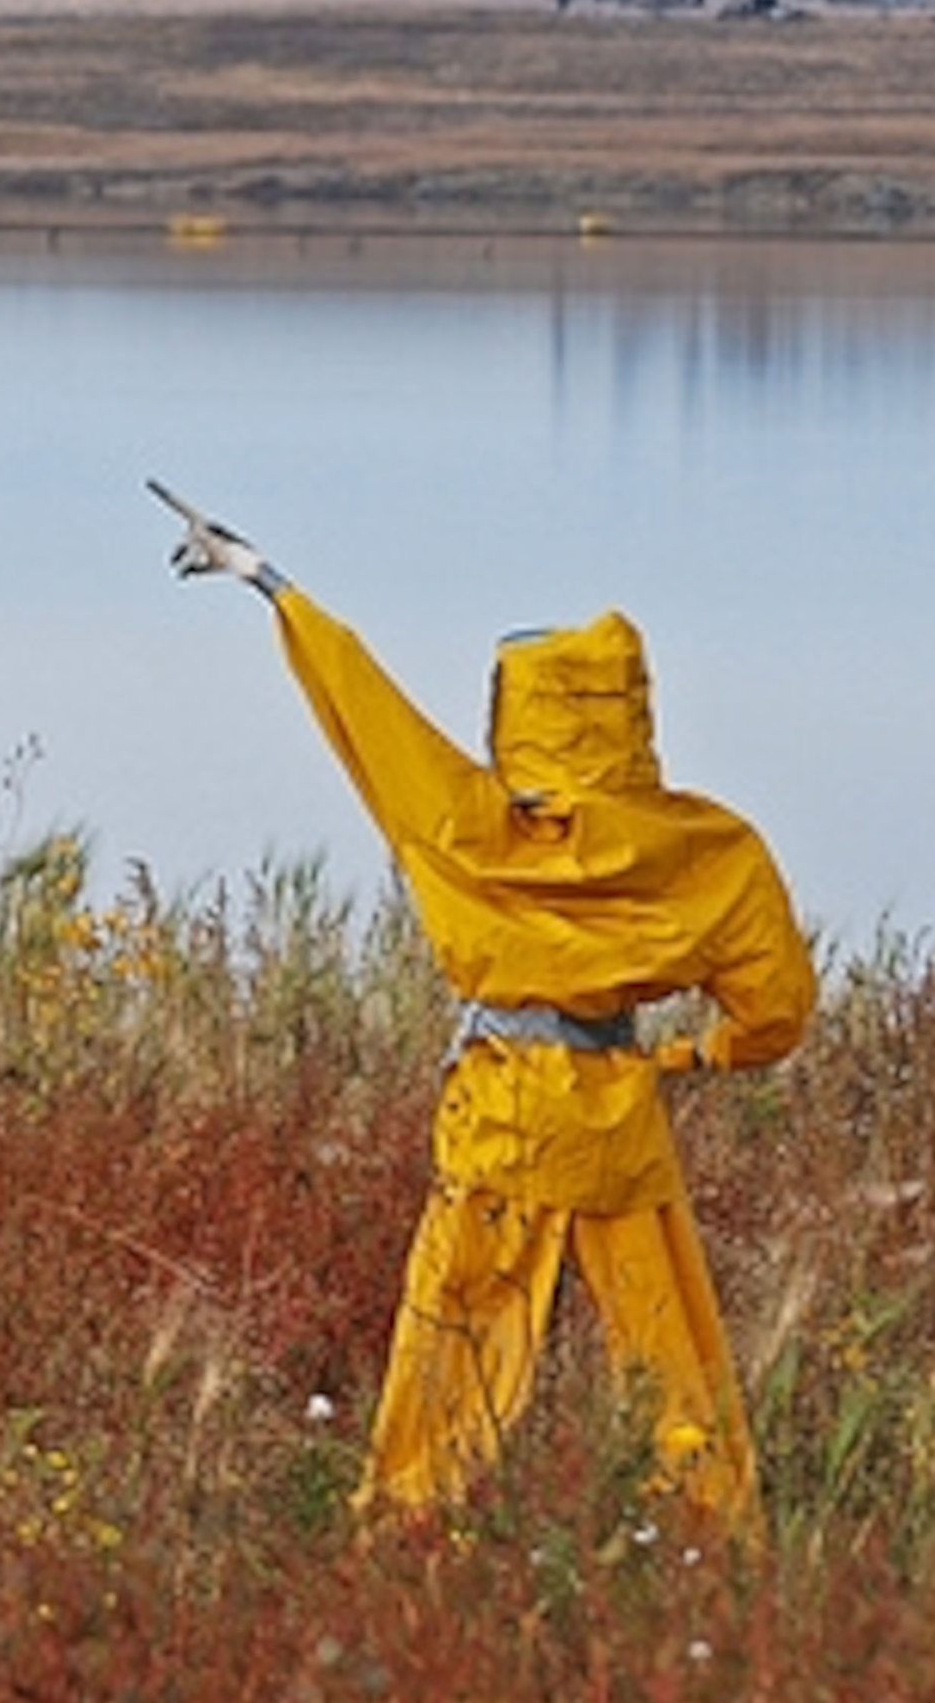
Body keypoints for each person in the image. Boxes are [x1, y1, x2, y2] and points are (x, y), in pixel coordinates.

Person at [153, 482, 815, 1536]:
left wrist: (263, 577)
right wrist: (690, 1059)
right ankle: (710, 1537)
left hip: (504, 1120)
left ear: (518, 711)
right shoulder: (706, 850)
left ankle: (410, 1528)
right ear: (631, 711)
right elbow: (775, 1009)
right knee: (668, 1343)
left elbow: (364, 709)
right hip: (618, 1122)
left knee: (453, 1336)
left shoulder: (464, 823)